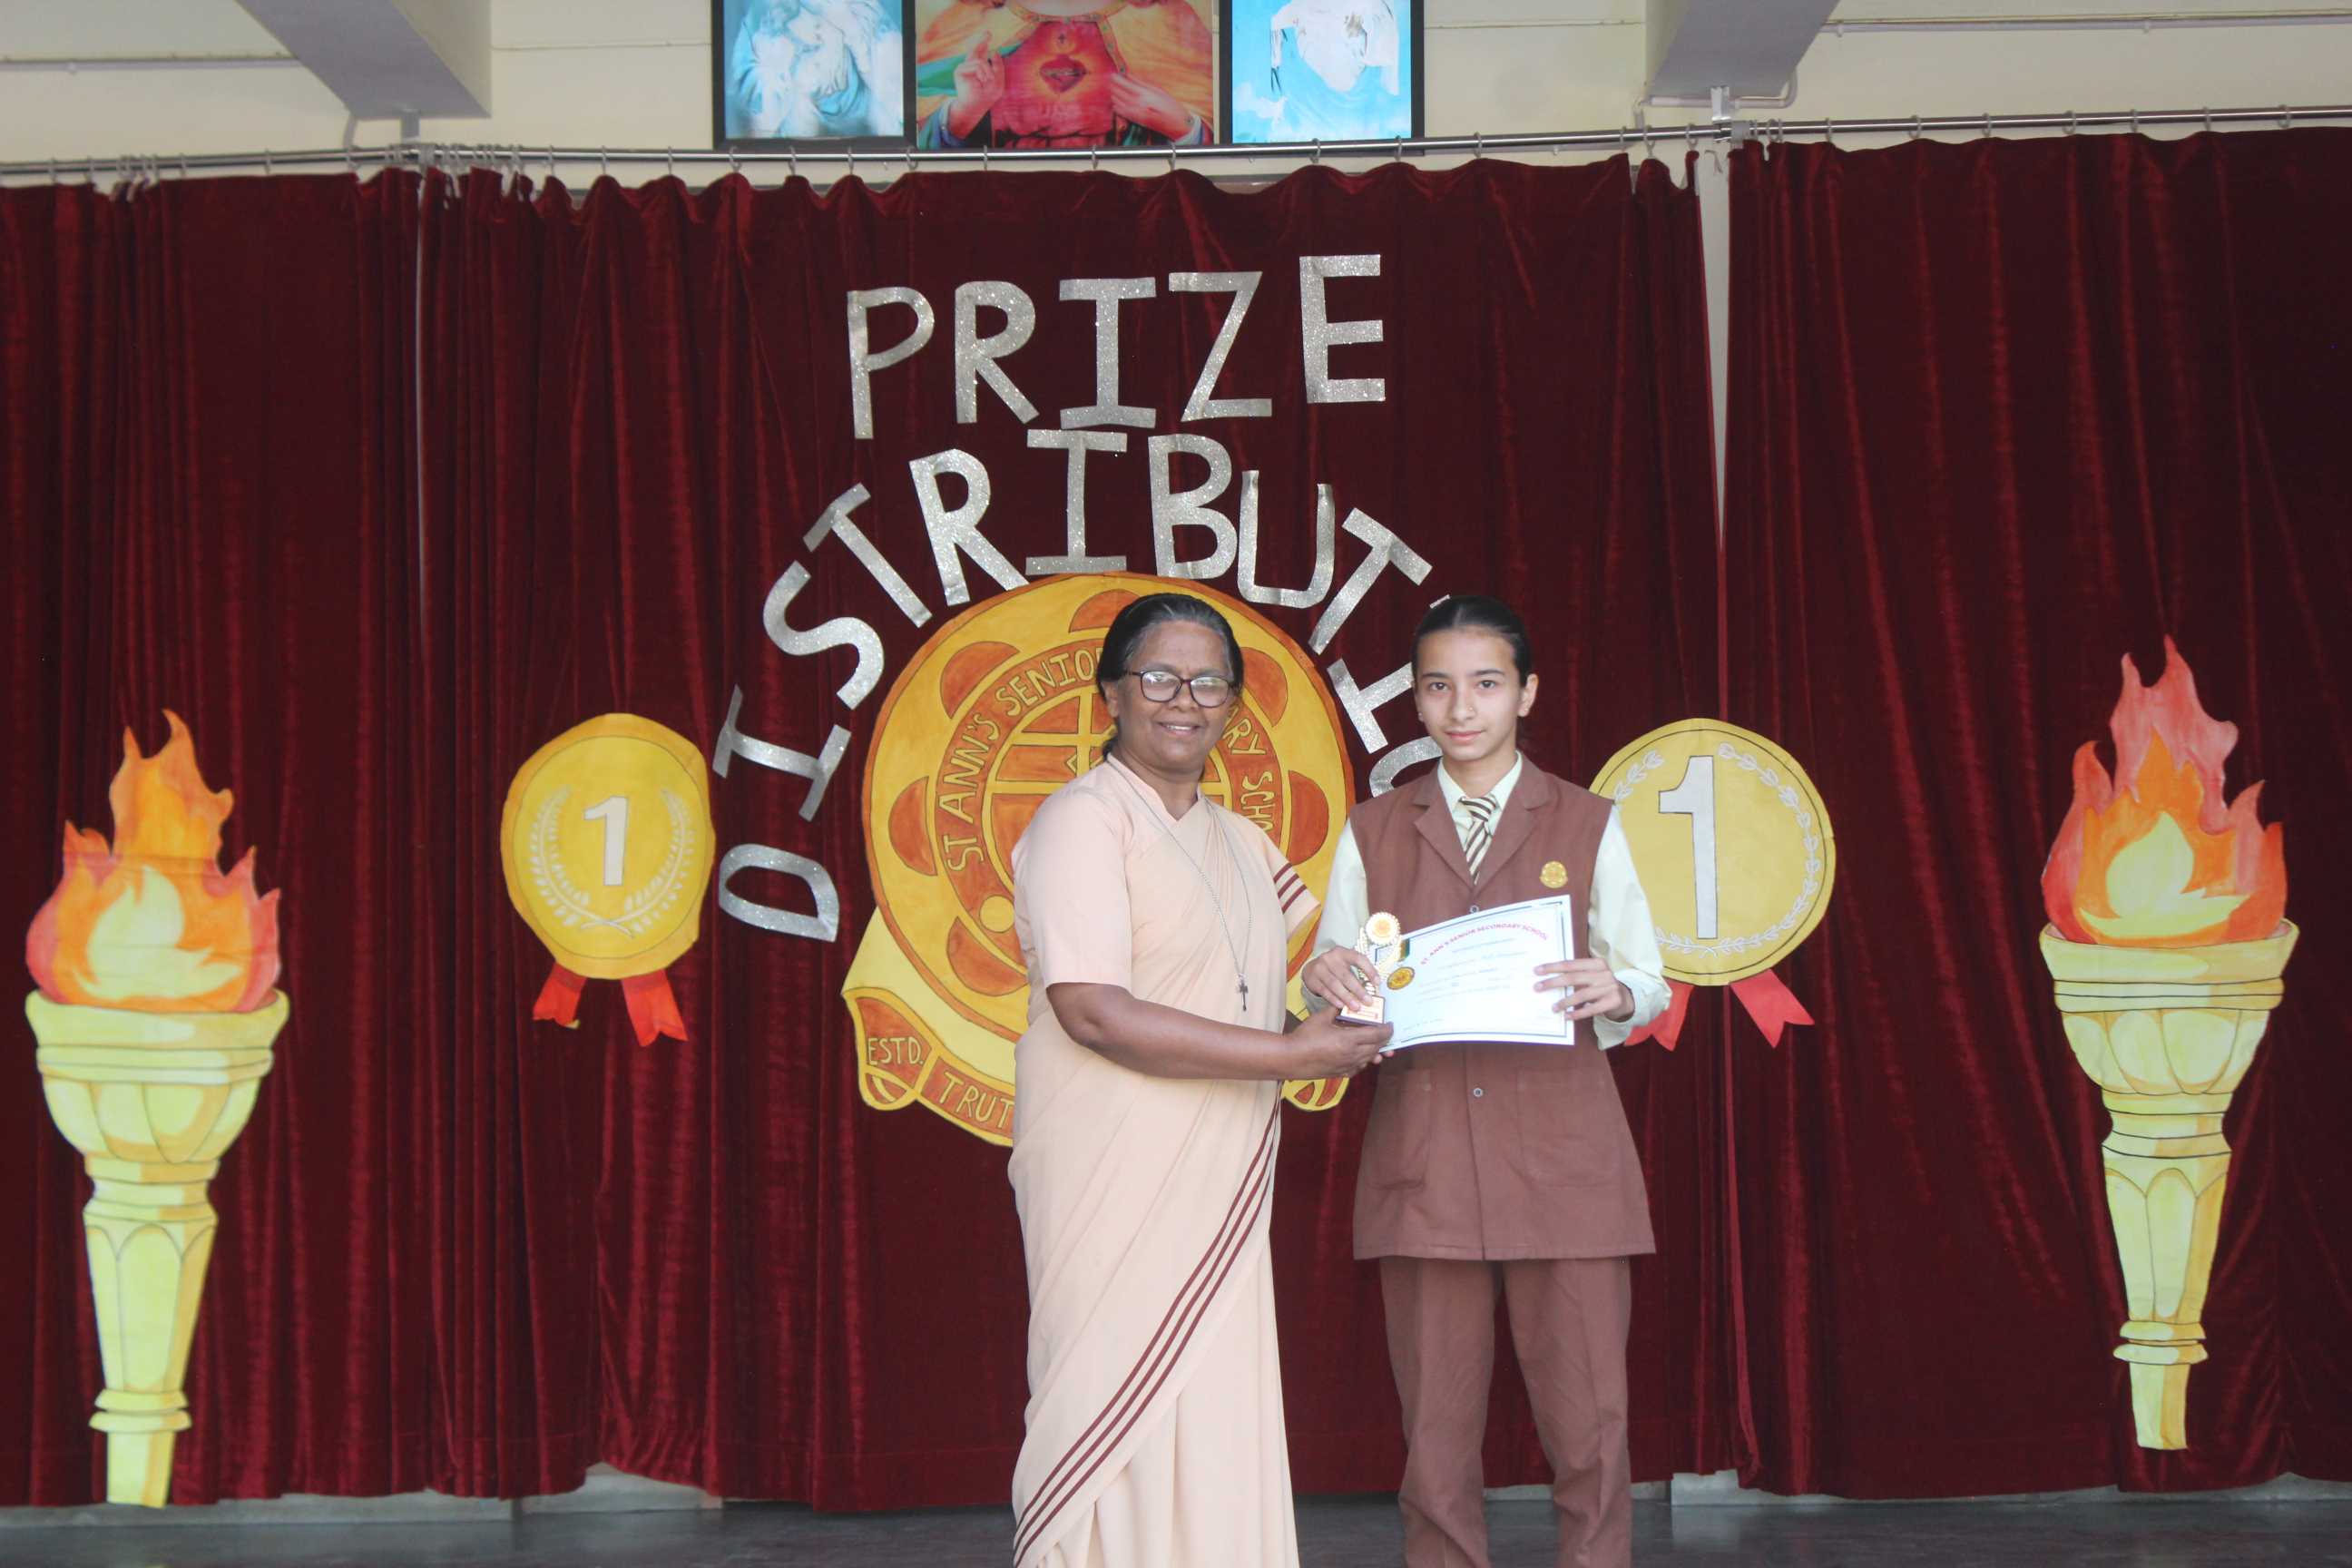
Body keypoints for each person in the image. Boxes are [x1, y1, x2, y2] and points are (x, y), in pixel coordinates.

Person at [1009, 592, 1389, 1568]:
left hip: (1218, 1178)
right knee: (1109, 1402)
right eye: (1160, 677)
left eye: (1210, 683)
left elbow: (1277, 973)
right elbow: (1093, 1012)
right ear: (1111, 695)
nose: (1185, 700)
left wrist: (1338, 989)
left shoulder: (1242, 840)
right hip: (1108, 1170)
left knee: (1215, 1407)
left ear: (1233, 706)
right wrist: (1293, 1057)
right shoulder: (1082, 822)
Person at [1301, 595, 1669, 1568]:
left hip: (1566, 1161)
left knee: (1591, 1428)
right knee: (1434, 1440)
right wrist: (1326, 983)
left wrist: (1618, 990)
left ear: (1527, 694)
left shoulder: (1589, 821)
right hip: (1424, 1161)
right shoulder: (1374, 828)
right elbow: (1336, 979)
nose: (1461, 708)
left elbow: (1650, 980)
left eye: (1486, 684)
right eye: (1438, 686)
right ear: (1416, 699)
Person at [916, 0, 1214, 151]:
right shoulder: (967, 21)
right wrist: (963, 114)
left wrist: (1183, 127)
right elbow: (915, 158)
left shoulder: (1166, 20)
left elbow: (1216, 154)